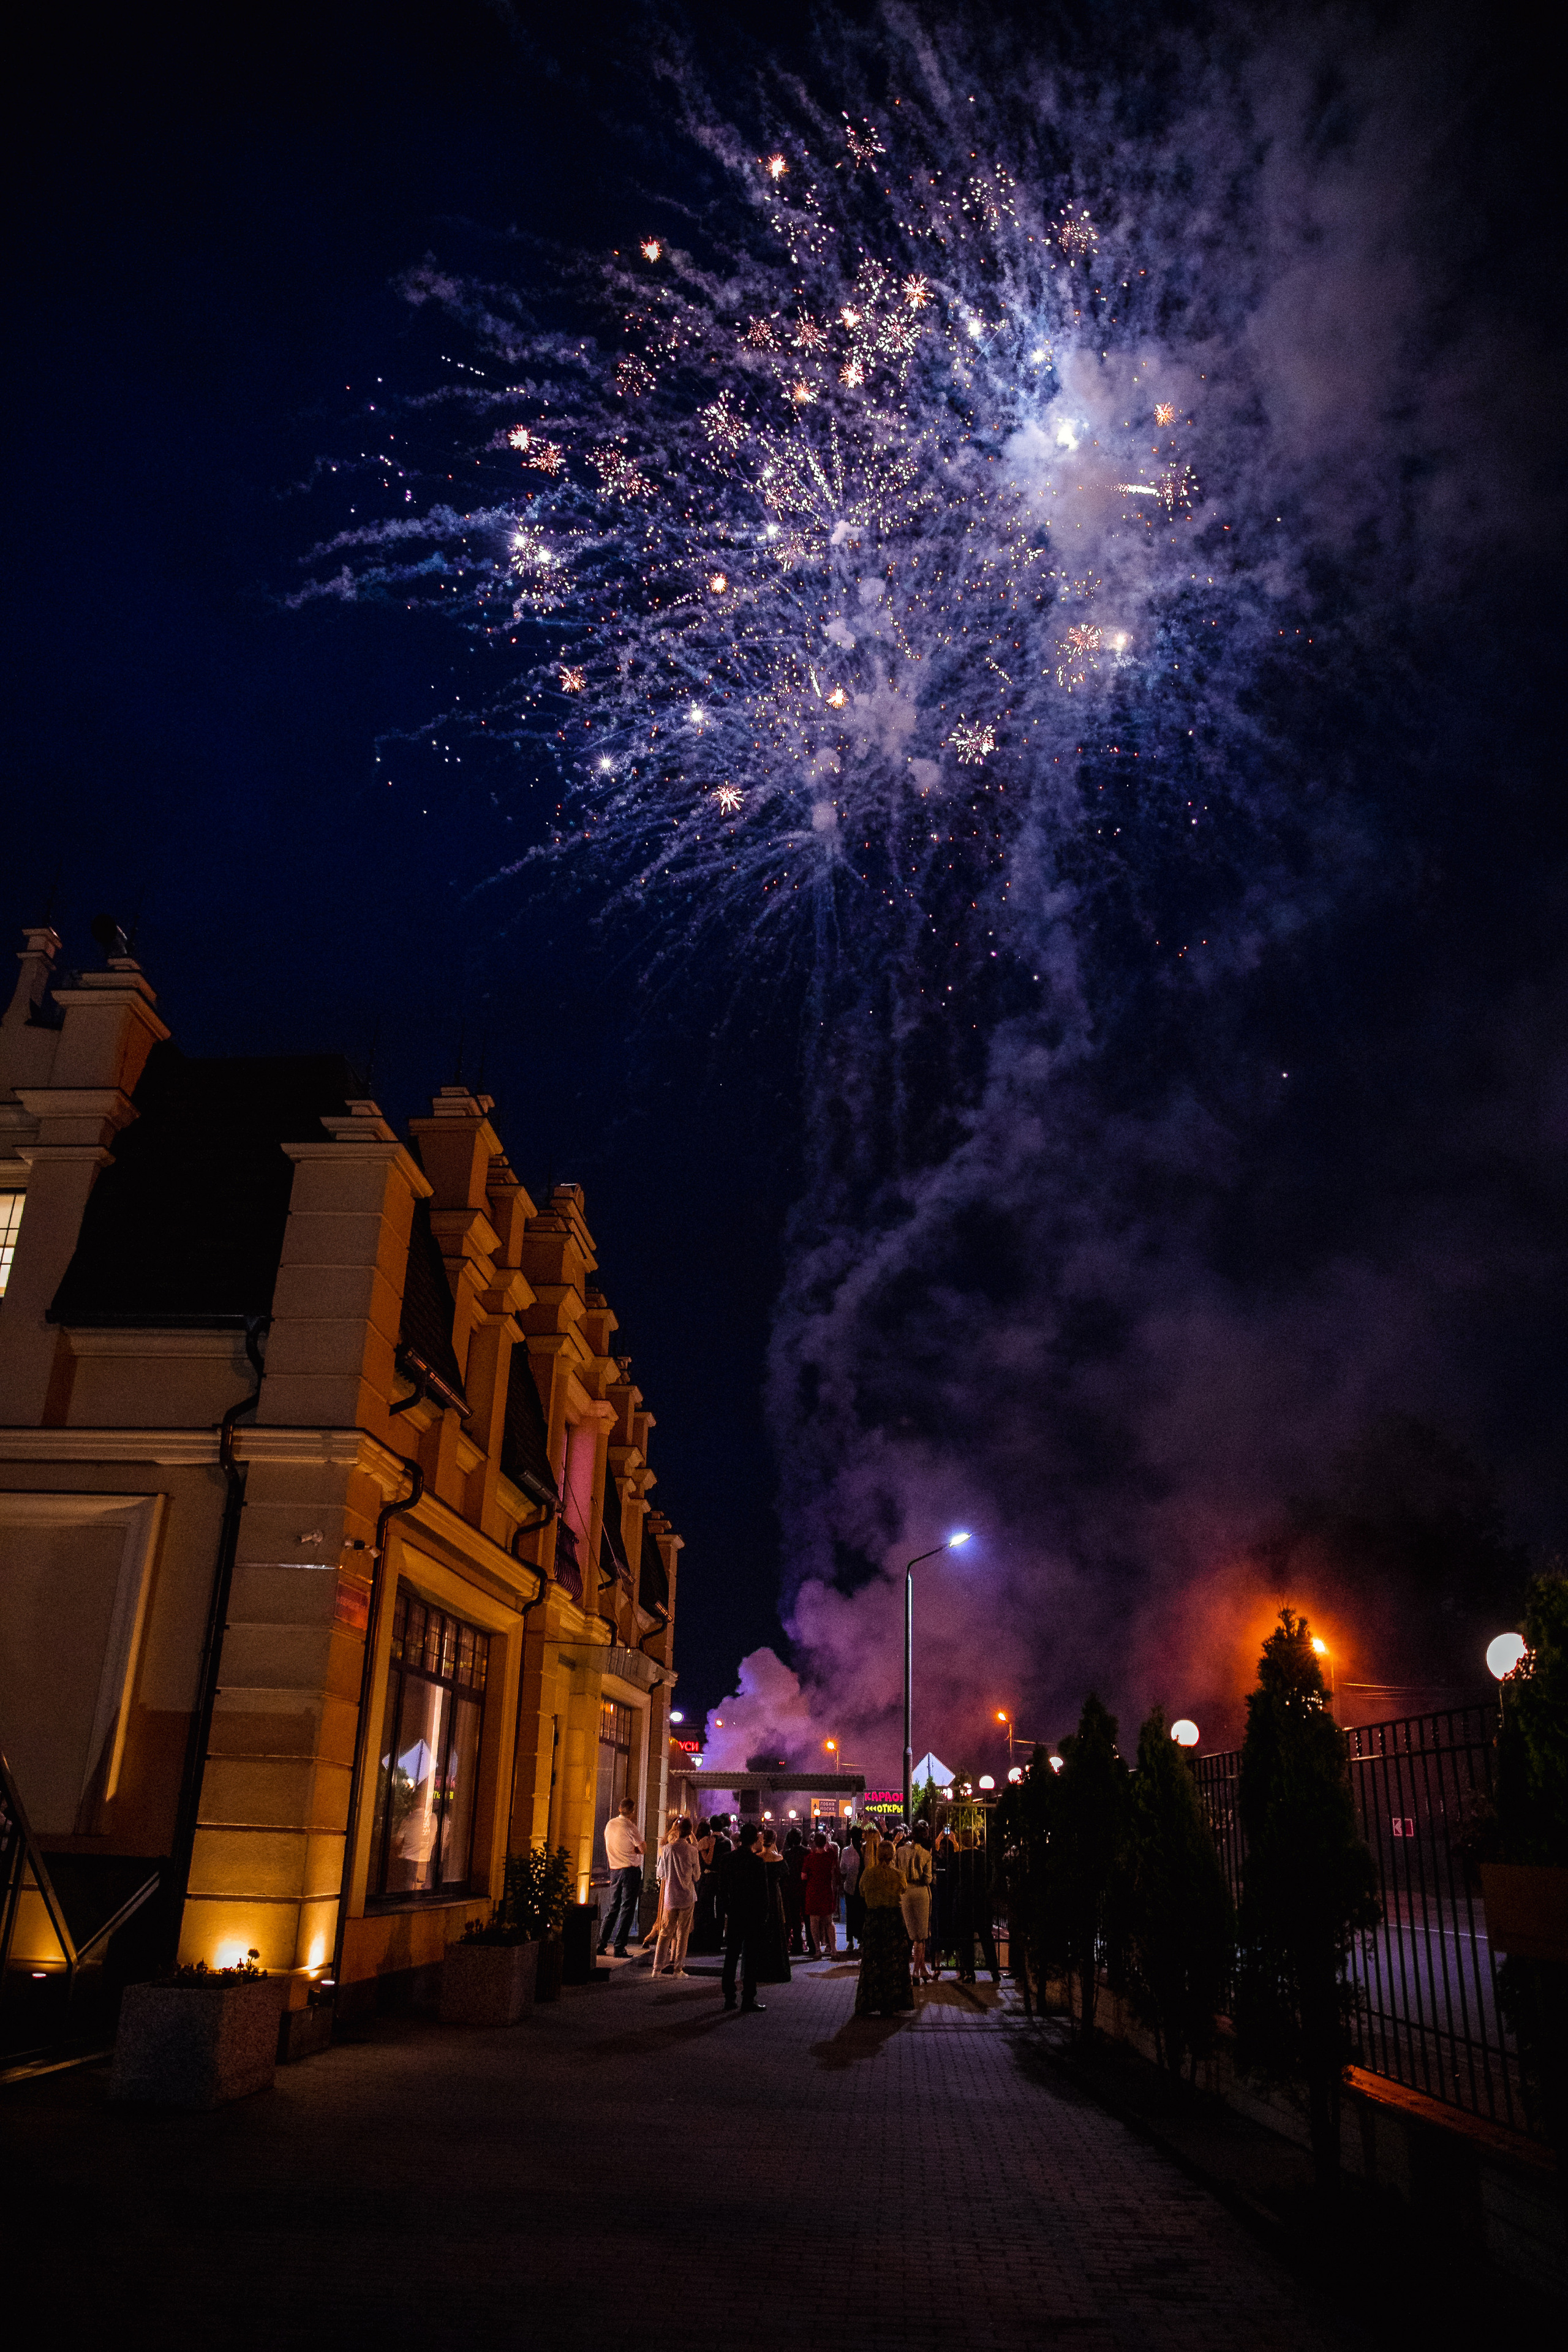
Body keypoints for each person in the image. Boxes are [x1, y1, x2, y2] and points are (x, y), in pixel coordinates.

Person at [854, 1838, 914, 2017]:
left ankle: (870, 2001)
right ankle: (892, 2002)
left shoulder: (868, 1874)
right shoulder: (899, 1875)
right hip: (893, 1919)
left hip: (874, 1919)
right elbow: (903, 1890)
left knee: (872, 1961)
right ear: (893, 1855)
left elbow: (862, 1892)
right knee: (894, 1962)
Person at [721, 1822, 769, 2012]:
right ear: (756, 1839)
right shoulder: (757, 1863)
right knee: (750, 1957)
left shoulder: (727, 1860)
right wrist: (763, 1914)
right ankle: (748, 1998)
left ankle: (729, 1997)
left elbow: (722, 1889)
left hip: (735, 1912)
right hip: (753, 1914)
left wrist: (727, 1909)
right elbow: (762, 1893)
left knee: (731, 1955)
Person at [653, 1816, 703, 1975]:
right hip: (687, 1896)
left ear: (677, 1830)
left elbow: (660, 1872)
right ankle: (678, 1969)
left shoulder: (667, 1849)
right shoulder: (692, 1851)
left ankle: (657, 1967)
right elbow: (697, 1876)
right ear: (690, 1833)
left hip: (670, 1896)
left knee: (666, 1931)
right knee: (683, 1933)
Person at [597, 1797, 644, 1957]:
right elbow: (643, 1848)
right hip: (630, 1871)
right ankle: (619, 1946)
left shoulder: (610, 1825)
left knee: (613, 1907)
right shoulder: (630, 1826)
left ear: (619, 1808)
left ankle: (601, 1943)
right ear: (632, 1812)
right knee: (628, 1909)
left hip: (614, 1869)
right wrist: (634, 1851)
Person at [954, 1829, 1000, 1982]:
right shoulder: (984, 1857)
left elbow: (952, 1879)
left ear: (962, 1841)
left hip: (965, 1900)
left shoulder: (958, 1858)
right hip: (982, 1900)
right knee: (986, 1936)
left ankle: (970, 1973)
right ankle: (994, 1971)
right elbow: (991, 1877)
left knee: (966, 1938)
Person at [756, 1826, 793, 1982]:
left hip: (760, 1895)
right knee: (777, 1929)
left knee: (762, 1930)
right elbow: (786, 1875)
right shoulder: (779, 1859)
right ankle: (778, 1968)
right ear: (775, 1841)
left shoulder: (757, 1858)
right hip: (774, 1894)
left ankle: (762, 1969)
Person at [902, 1820, 935, 1984]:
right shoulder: (926, 1854)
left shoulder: (900, 1852)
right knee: (921, 1935)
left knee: (911, 1932)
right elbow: (928, 1879)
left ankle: (922, 1970)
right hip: (921, 1892)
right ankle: (916, 1971)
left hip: (905, 1892)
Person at [801, 1830, 839, 1958]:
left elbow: (804, 1877)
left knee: (814, 1922)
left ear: (814, 1843)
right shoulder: (830, 1856)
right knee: (829, 1921)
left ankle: (818, 1950)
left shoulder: (809, 1858)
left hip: (813, 1892)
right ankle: (833, 1950)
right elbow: (832, 1850)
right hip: (827, 1891)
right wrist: (827, 1841)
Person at [932, 1827, 958, 1978]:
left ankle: (937, 1967)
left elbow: (934, 1847)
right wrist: (953, 1839)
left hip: (940, 1895)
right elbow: (958, 1850)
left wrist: (941, 1835)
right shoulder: (954, 1858)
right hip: (951, 1895)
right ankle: (958, 1967)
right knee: (952, 1930)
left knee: (939, 1929)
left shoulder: (938, 1858)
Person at [782, 1825, 807, 1955]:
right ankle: (812, 1945)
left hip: (791, 1889)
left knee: (794, 1918)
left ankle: (796, 1944)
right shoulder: (807, 1852)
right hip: (805, 1888)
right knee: (807, 1918)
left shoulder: (787, 1854)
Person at [840, 1826, 864, 1953]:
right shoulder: (865, 1850)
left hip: (850, 1886)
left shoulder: (846, 1851)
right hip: (861, 1886)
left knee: (851, 1914)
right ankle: (860, 1940)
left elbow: (842, 1869)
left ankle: (851, 1942)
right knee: (861, 1914)